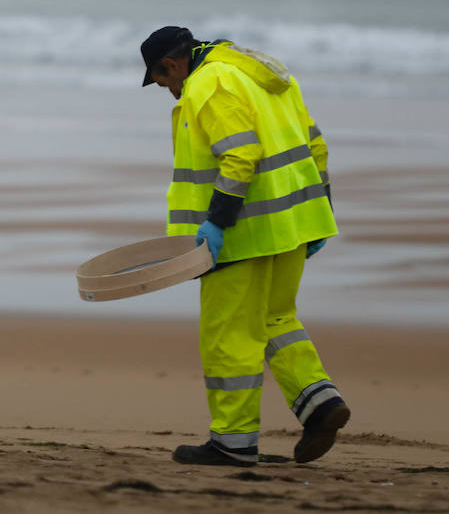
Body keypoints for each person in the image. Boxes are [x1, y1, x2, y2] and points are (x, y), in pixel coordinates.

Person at [139, 26, 347, 467]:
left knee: (229, 334)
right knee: (276, 318)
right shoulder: (264, 74)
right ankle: (320, 403)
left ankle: (232, 442)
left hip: (242, 236)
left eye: (162, 81)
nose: (168, 91)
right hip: (291, 225)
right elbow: (315, 144)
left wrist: (216, 223)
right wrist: (319, 214)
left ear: (173, 66)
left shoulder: (208, 83)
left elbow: (240, 154)